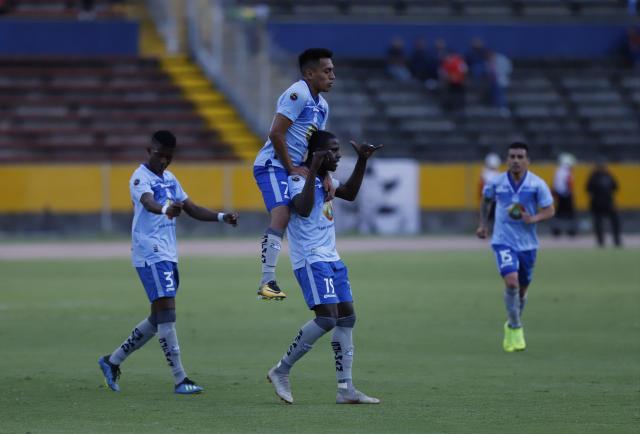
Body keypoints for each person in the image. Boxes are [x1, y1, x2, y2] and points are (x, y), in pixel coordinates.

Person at [98, 130, 239, 394]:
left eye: (168, 156)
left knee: (158, 317)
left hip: (168, 253)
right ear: (148, 150)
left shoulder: (171, 178)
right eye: (159, 154)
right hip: (150, 252)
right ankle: (180, 379)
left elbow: (192, 208)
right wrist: (165, 209)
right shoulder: (140, 177)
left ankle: (111, 361)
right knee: (168, 314)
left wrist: (221, 217)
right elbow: (148, 202)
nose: (163, 160)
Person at [266, 130, 383, 404]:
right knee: (327, 318)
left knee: (347, 317)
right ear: (317, 153)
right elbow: (303, 209)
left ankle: (345, 389)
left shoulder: (325, 179)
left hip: (332, 258)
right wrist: (315, 170)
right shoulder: (298, 179)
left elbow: (350, 194)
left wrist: (362, 160)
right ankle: (281, 370)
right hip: (310, 259)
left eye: (338, 150)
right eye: (333, 150)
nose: (338, 155)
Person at [253, 48, 334, 301]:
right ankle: (266, 282)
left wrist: (325, 175)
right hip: (273, 164)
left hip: (292, 166)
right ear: (309, 73)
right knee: (282, 214)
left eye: (332, 71)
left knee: (302, 213)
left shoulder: (322, 106)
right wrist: (290, 168)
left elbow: (318, 145)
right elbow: (276, 133)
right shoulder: (297, 94)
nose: (332, 76)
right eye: (327, 71)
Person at [476, 142, 555, 353]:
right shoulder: (496, 182)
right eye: (512, 156)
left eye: (520, 157)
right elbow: (486, 200)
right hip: (503, 241)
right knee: (511, 283)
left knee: (521, 291)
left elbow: (550, 210)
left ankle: (511, 324)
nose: (516, 161)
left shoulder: (537, 184)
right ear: (507, 159)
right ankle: (517, 327)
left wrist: (534, 218)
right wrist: (483, 224)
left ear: (528, 160)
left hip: (528, 244)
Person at [586, 162, 622, 247]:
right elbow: (588, 189)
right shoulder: (599, 176)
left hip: (605, 203)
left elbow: (615, 186)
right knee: (599, 223)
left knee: (612, 221)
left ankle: (615, 241)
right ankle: (602, 241)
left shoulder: (603, 176)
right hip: (601, 203)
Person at [551, 153, 577, 237]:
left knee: (559, 213)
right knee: (570, 214)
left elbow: (555, 184)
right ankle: (571, 231)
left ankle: (557, 230)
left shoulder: (558, 171)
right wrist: (567, 193)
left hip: (560, 194)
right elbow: (568, 183)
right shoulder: (566, 172)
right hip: (565, 195)